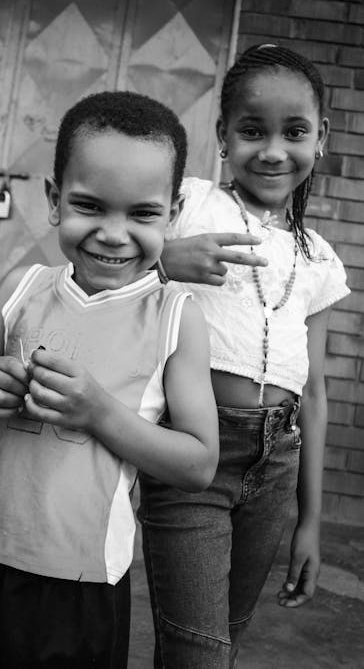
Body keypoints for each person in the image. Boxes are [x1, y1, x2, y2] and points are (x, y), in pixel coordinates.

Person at [0, 90, 219, 668]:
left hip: (80, 580)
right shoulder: (24, 287)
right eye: (90, 206)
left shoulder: (174, 316)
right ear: (54, 200)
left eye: (142, 214)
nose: (114, 234)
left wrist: (99, 413)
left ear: (174, 211)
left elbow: (198, 463)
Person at [138, 43, 351, 668]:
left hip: (276, 466)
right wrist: (161, 261)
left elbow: (313, 394)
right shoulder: (189, 205)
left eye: (295, 131)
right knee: (196, 652)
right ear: (223, 136)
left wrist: (310, 520)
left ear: (322, 139)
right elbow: (99, 263)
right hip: (194, 454)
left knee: (224, 639)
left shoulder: (320, 259)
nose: (274, 150)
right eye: (253, 130)